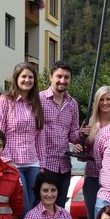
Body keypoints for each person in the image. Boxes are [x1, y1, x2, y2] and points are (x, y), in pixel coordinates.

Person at [0, 62, 45, 219]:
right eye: (23, 77)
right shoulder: (5, 102)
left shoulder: (36, 103)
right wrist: (6, 161)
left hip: (32, 162)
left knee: (31, 213)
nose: (27, 80)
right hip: (11, 163)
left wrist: (41, 164)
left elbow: (39, 136)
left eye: (30, 77)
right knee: (21, 210)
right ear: (16, 78)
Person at [39, 60, 81, 208]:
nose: (63, 81)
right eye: (59, 76)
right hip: (43, 164)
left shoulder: (73, 104)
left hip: (64, 166)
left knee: (60, 208)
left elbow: (73, 134)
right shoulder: (39, 100)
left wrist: (81, 135)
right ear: (51, 77)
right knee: (41, 208)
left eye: (66, 77)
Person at [82, 86, 110, 219]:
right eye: (101, 100)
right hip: (92, 178)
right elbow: (83, 155)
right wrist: (81, 143)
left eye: (108, 99)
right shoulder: (90, 123)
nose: (105, 103)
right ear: (97, 102)